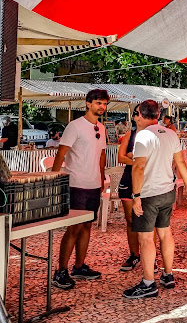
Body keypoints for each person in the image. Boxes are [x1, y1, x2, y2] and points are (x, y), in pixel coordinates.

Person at [123, 100, 187, 299]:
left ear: (140, 114)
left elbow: (138, 167)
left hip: (148, 193)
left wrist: (136, 196)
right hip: (167, 191)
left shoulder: (143, 136)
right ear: (157, 115)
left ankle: (148, 283)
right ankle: (168, 274)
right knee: (165, 233)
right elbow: (180, 161)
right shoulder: (170, 133)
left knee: (146, 238)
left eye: (136, 114)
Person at [52, 89, 109, 290]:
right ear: (88, 103)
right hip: (76, 183)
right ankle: (60, 271)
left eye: (104, 104)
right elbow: (61, 154)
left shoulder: (101, 128)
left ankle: (79, 266)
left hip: (93, 184)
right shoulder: (74, 126)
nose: (102, 107)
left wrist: (102, 179)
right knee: (74, 228)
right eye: (98, 103)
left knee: (87, 226)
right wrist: (54, 180)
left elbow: (102, 155)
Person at [117, 105, 143, 272]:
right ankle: (134, 254)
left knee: (149, 222)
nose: (140, 116)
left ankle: (151, 256)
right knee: (130, 220)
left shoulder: (156, 134)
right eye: (138, 113)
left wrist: (132, 157)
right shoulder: (130, 135)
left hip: (147, 181)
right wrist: (137, 161)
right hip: (128, 180)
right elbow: (121, 157)